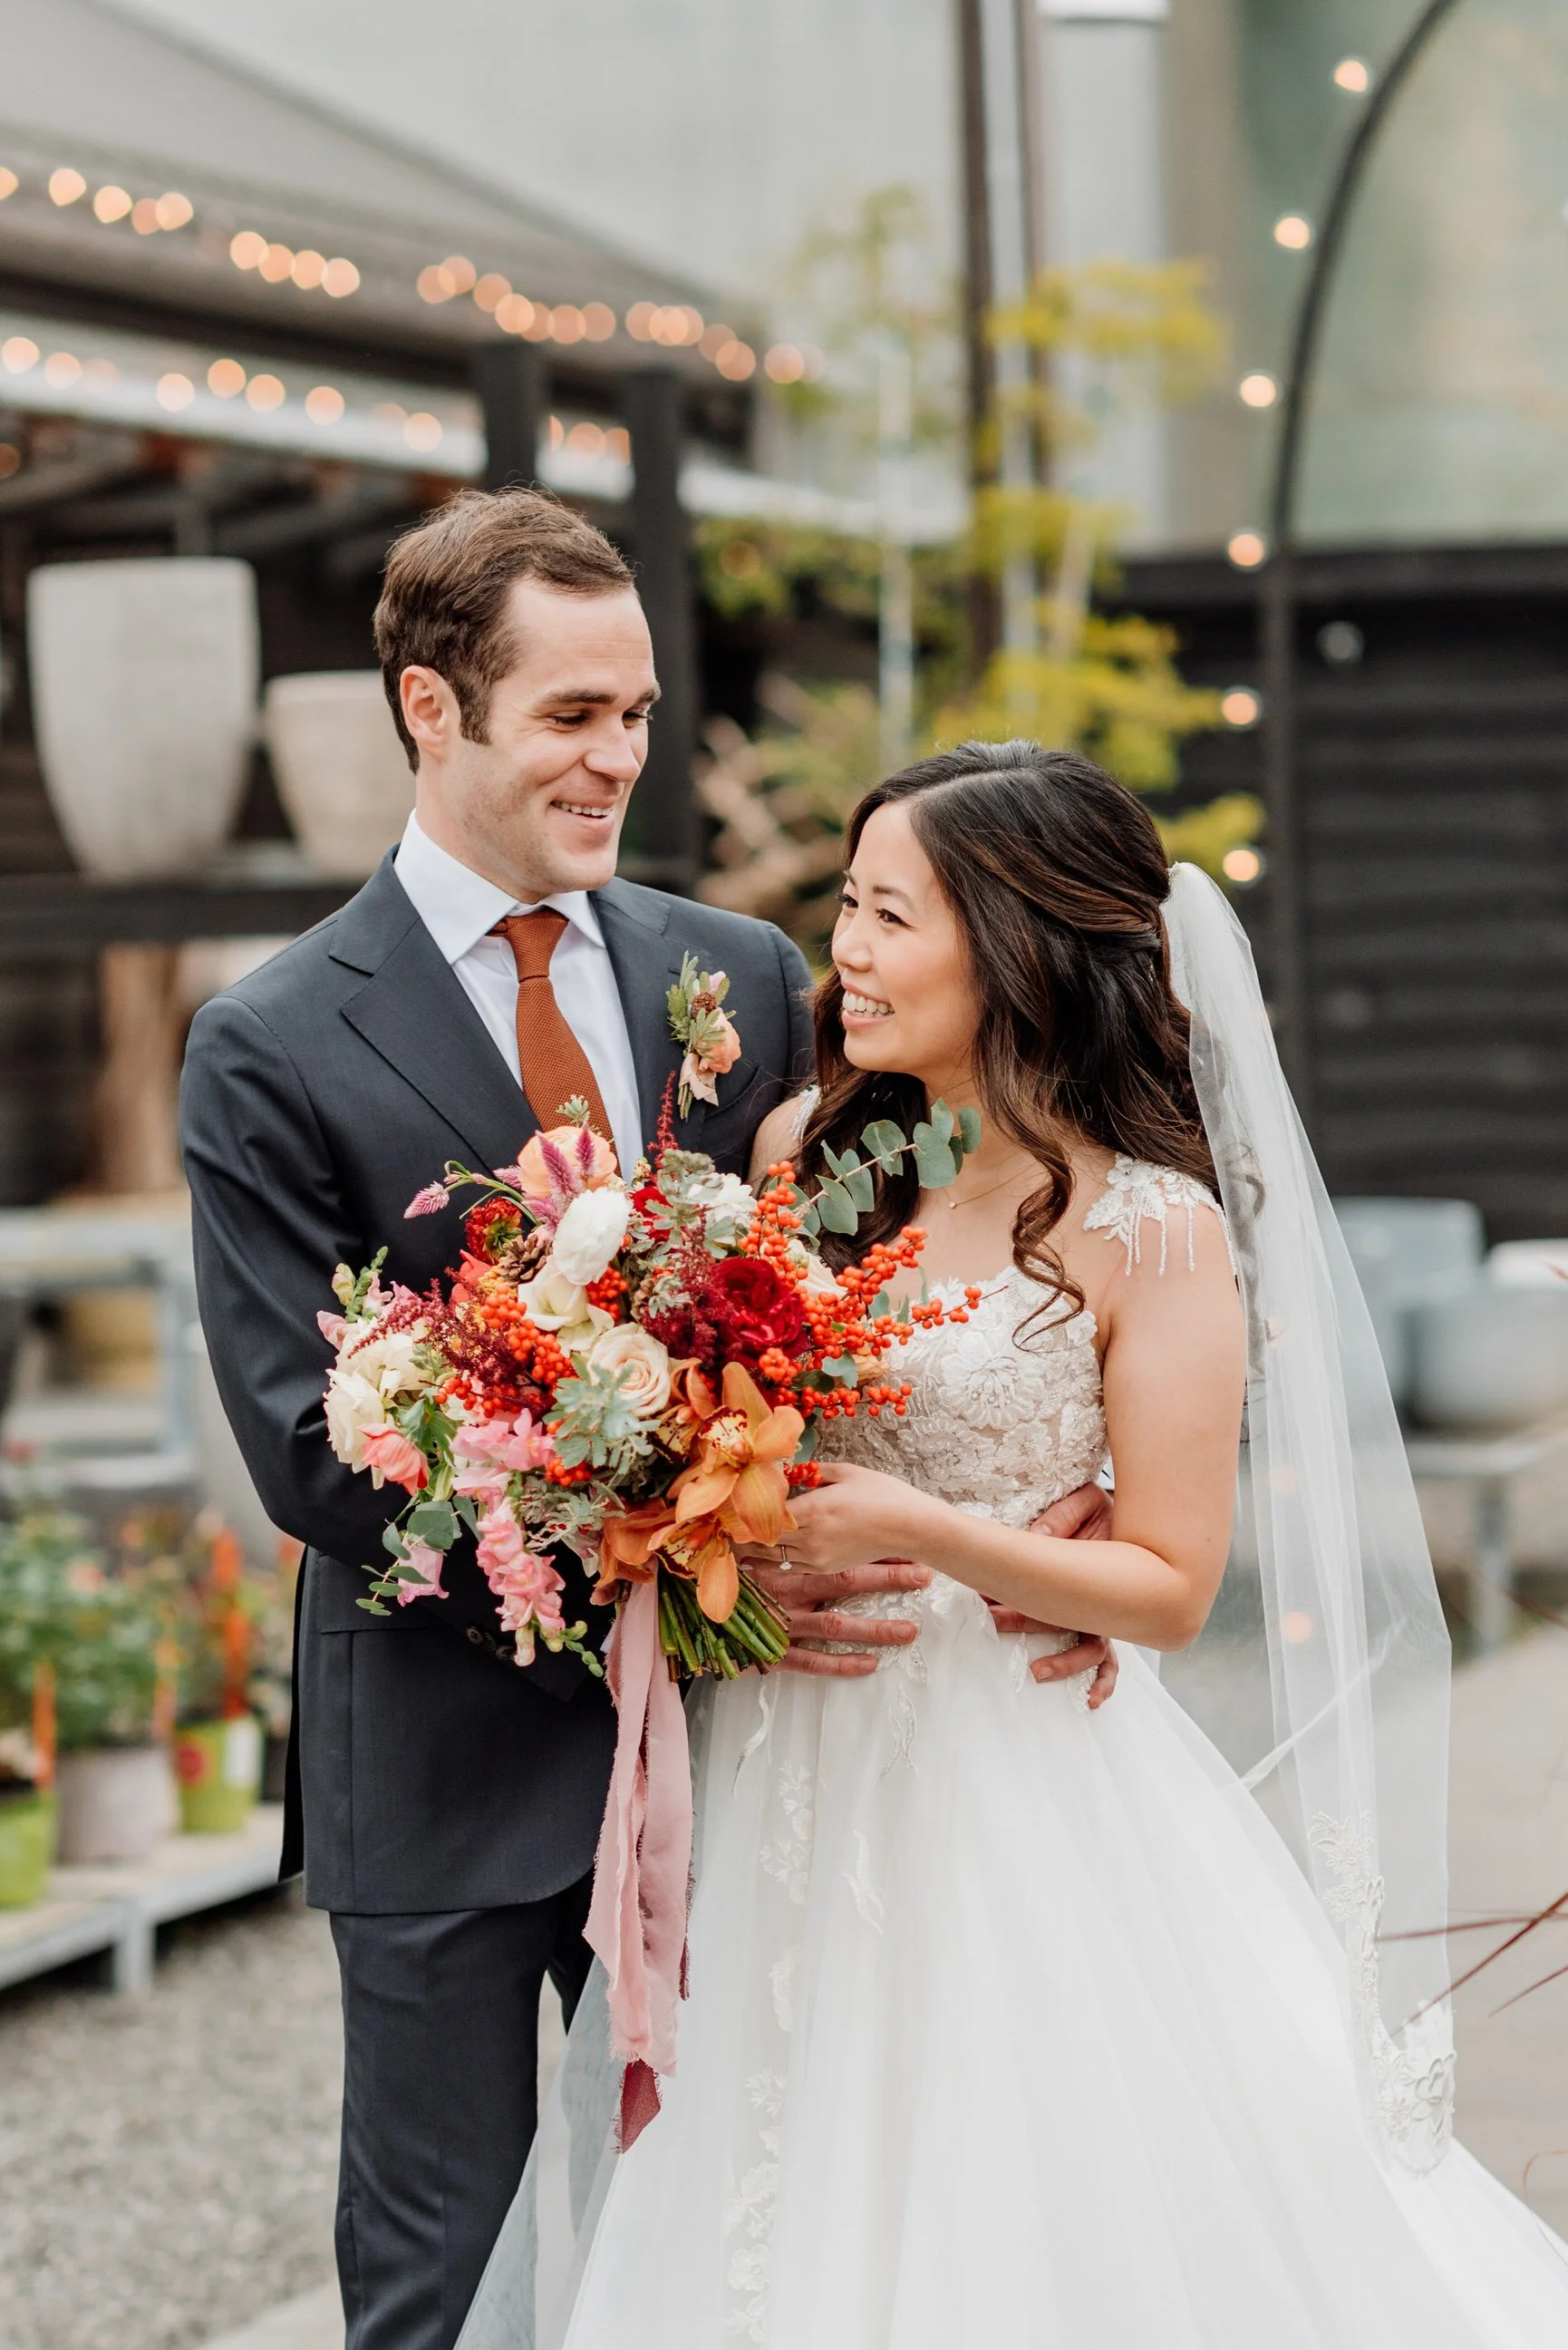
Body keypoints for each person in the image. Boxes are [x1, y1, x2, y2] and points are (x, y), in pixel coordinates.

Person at [463, 742, 1568, 2349]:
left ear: (1016, 942)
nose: (843, 949)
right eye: (845, 903)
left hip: (1006, 1768)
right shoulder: (803, 1161)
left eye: (889, 915)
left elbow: (1171, 1586)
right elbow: (724, 1442)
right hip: (786, 1752)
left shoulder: (1148, 1223)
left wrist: (930, 1529)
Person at [179, 495, 1111, 2350]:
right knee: (437, 2282)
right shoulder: (271, 1038)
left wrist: (1047, 1486)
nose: (617, 757)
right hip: (441, 1761)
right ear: (429, 710)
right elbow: (311, 1440)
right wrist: (680, 1554)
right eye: (569, 716)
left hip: (747, 1752)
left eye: (638, 711)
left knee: (726, 2259)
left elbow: (875, 1289)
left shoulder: (745, 977)